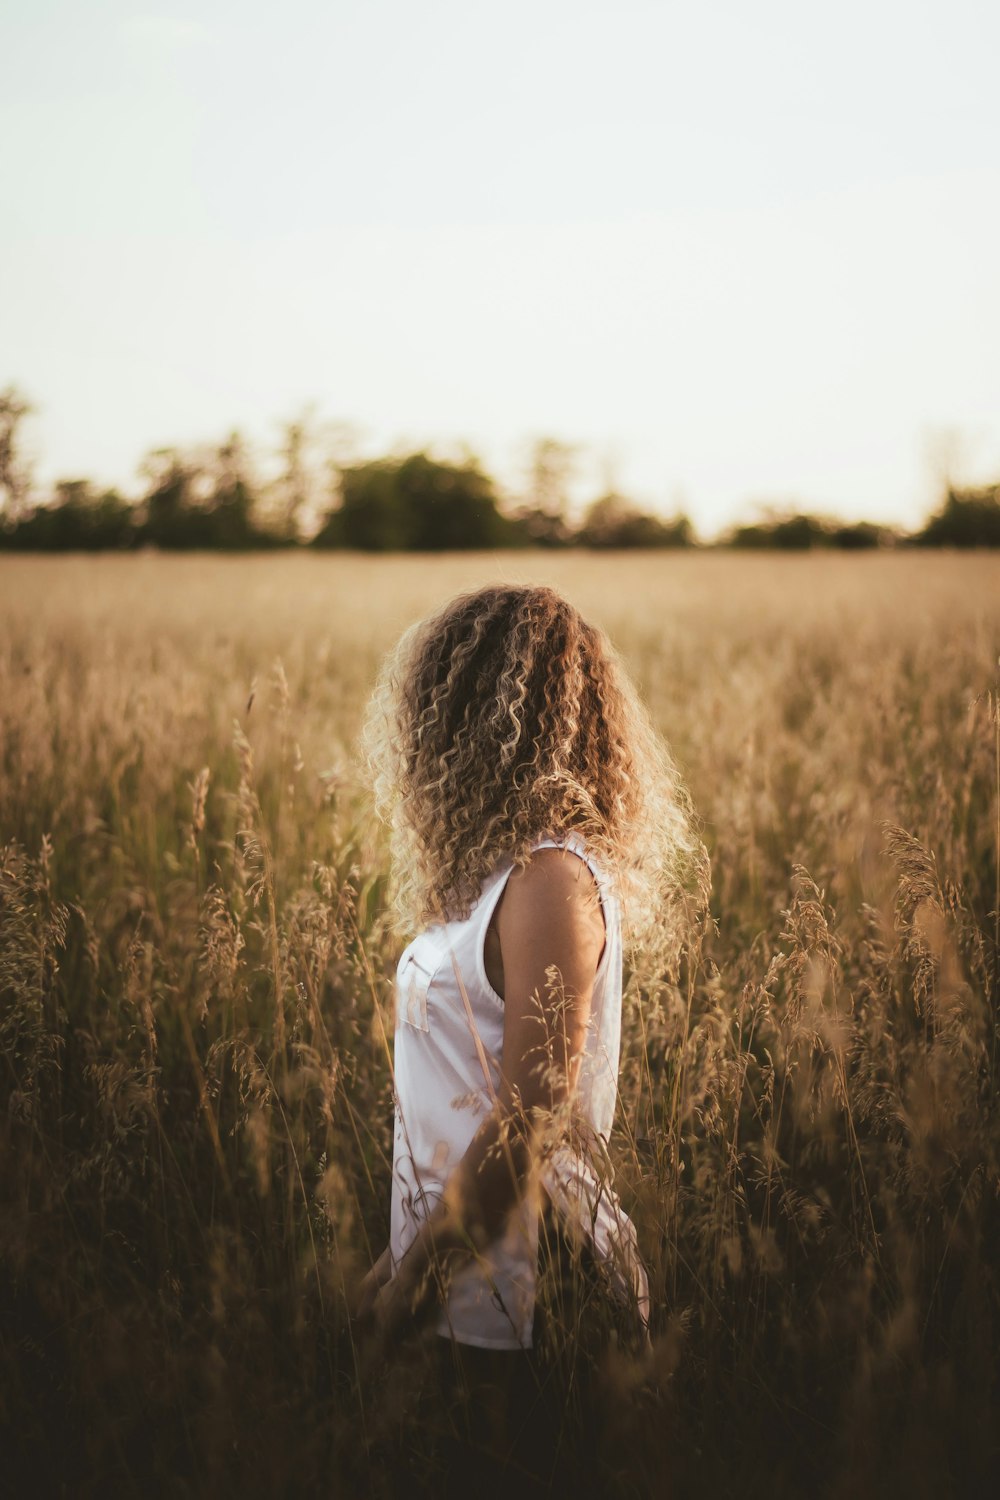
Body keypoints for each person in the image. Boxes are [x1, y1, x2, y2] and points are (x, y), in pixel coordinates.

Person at [354, 583, 706, 1492]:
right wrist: (399, 1258)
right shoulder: (496, 872)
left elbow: (529, 1119)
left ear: (475, 711)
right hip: (461, 1267)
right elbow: (458, 1090)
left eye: (443, 701)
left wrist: (408, 1290)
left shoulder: (552, 876)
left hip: (527, 1282)